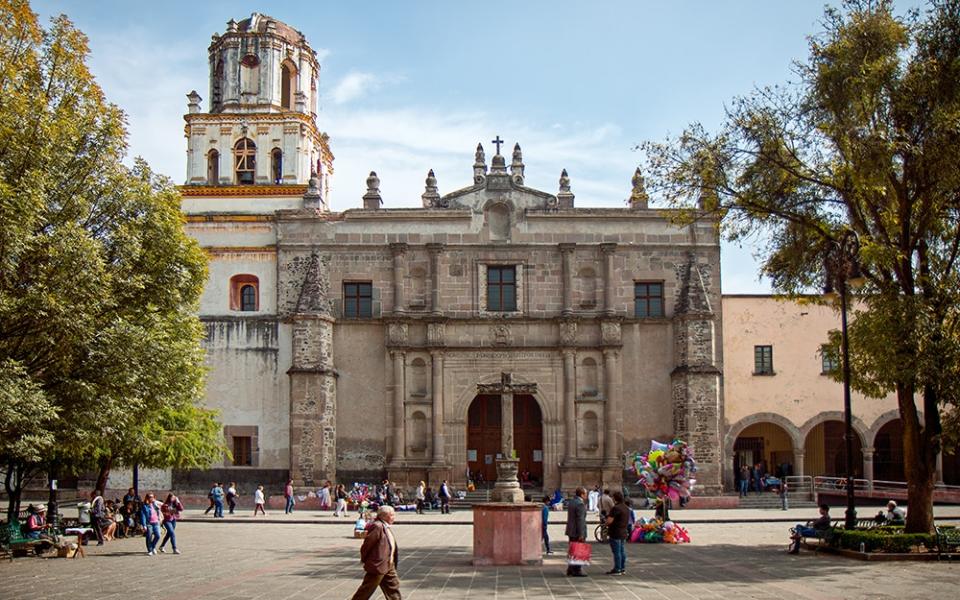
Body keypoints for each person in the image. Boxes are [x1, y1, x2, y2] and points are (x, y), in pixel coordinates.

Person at [351, 505, 401, 600]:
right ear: (385, 516)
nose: (394, 517)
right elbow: (367, 545)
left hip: (388, 564)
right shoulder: (377, 526)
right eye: (392, 515)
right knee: (366, 590)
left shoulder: (385, 526)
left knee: (393, 587)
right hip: (378, 564)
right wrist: (365, 559)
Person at [605, 491, 631, 575]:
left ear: (615, 499)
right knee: (622, 551)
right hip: (623, 532)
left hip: (615, 532)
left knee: (617, 552)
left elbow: (609, 521)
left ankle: (617, 568)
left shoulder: (616, 508)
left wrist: (606, 520)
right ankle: (622, 568)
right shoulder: (626, 508)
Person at [565, 487, 588, 577]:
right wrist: (581, 534)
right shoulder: (580, 504)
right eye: (585, 494)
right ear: (582, 494)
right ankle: (577, 570)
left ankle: (570, 569)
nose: (586, 496)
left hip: (571, 530)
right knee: (579, 551)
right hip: (577, 531)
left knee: (572, 550)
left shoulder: (572, 502)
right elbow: (580, 520)